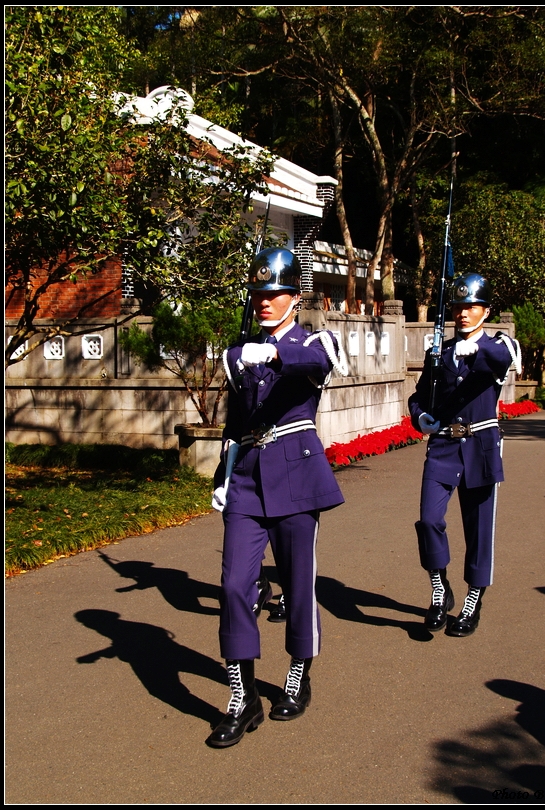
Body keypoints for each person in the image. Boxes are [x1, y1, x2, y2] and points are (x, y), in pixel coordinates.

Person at [207, 247, 346, 748]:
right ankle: (242, 698)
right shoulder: (239, 353)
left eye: (275, 294)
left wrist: (276, 352)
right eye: (259, 294)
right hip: (247, 479)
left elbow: (325, 359)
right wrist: (223, 474)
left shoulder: (313, 341)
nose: (265, 302)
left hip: (295, 474)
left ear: (294, 297)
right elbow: (235, 422)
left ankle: (297, 672)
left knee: (297, 583)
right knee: (233, 585)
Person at [408, 273, 520, 637]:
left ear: (486, 311)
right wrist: (419, 415)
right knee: (428, 519)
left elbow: (505, 357)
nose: (463, 313)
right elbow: (420, 395)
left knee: (479, 528)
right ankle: (440, 588)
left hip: (480, 446)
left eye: (472, 306)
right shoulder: (438, 352)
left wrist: (476, 349)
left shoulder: (497, 345)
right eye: (459, 306)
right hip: (442, 446)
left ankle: (474, 597)